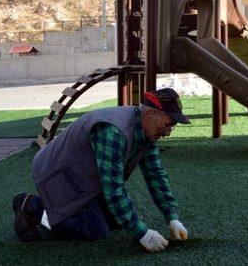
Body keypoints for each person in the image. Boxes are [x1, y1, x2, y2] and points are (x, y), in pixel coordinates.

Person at [12, 88, 190, 253]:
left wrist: (172, 217)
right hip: (55, 176)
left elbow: (155, 174)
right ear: (151, 114)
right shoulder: (113, 131)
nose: (169, 131)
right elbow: (112, 188)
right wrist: (141, 233)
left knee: (117, 220)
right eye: (169, 123)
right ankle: (33, 207)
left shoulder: (146, 131)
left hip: (82, 177)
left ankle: (59, 211)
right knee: (95, 230)